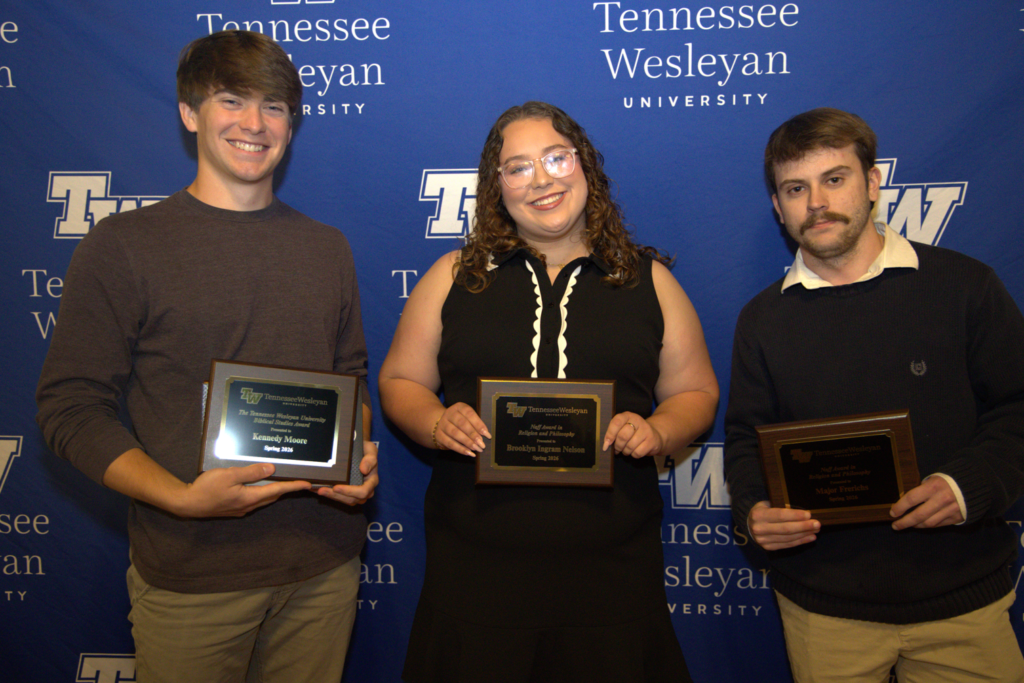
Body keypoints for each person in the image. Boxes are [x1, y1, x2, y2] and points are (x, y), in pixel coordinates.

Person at [35, 30, 378, 683]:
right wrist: (181, 498)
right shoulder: (123, 246)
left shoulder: (326, 247)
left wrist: (356, 453)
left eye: (273, 105)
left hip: (324, 568)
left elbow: (350, 379)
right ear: (190, 113)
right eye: (232, 100)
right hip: (193, 575)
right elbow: (69, 406)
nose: (255, 123)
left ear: (291, 122)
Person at [378, 101, 718, 683]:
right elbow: (399, 382)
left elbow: (696, 392)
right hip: (477, 574)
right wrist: (436, 421)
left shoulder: (648, 279)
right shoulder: (454, 274)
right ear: (496, 187)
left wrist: (659, 430)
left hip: (612, 576)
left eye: (557, 158)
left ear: (585, 165)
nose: (541, 179)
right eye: (518, 167)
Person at [724, 107, 1024, 682]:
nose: (816, 202)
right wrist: (753, 510)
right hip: (822, 612)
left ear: (873, 182)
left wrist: (969, 487)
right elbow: (744, 438)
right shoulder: (761, 320)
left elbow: (1019, 409)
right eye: (795, 188)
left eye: (834, 179)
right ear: (777, 206)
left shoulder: (966, 287)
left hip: (964, 605)